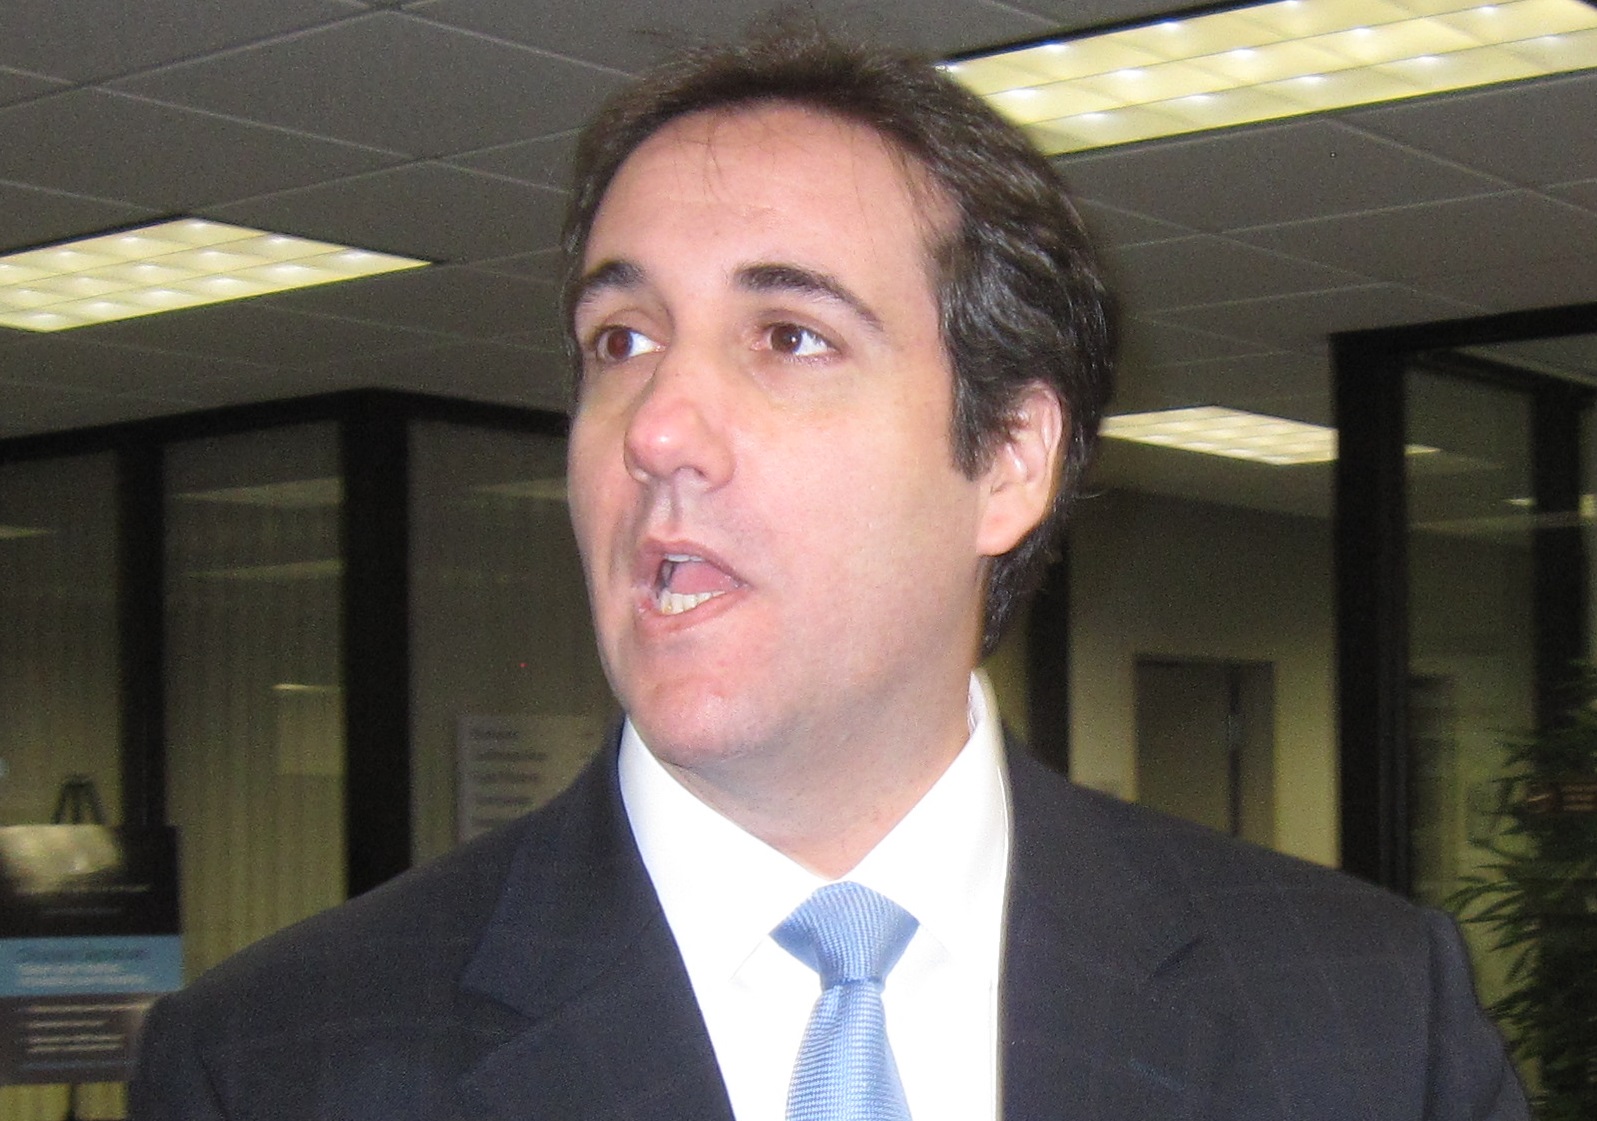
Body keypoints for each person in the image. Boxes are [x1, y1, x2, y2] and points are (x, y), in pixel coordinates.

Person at [130, 26, 1527, 1121]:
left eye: (789, 336)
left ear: (1008, 459)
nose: (658, 428)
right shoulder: (275, 1064)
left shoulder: (1359, 1020)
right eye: (621, 341)